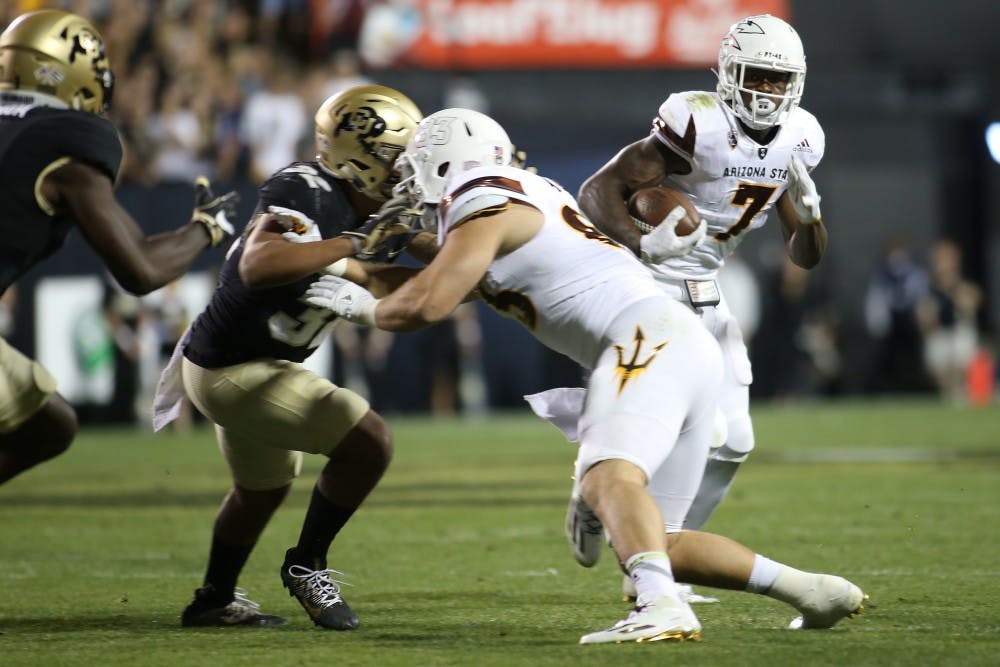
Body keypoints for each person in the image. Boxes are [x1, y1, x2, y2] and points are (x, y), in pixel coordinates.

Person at [304, 108, 865, 644]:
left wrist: (360, 309)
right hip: (681, 344)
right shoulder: (524, 196)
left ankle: (659, 605)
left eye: (414, 171)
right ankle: (810, 591)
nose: (407, 186)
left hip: (647, 340)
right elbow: (450, 281)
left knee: (606, 483)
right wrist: (343, 264)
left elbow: (428, 303)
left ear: (447, 165)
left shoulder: (484, 201)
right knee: (657, 540)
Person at [152, 84, 431, 629]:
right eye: (398, 159)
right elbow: (259, 266)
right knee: (369, 443)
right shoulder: (307, 188)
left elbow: (402, 269)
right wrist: (357, 241)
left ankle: (212, 600)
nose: (407, 172)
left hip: (247, 365)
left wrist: (481, 257)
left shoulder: (379, 207)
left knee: (260, 491)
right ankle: (307, 565)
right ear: (361, 156)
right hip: (233, 368)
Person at [571, 14, 828, 592]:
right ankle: (634, 540)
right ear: (730, 73)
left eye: (777, 79)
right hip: (651, 284)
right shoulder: (698, 123)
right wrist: (643, 240)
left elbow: (804, 256)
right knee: (687, 428)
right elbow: (595, 192)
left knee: (736, 440)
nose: (766, 91)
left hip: (708, 288)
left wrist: (810, 218)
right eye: (757, 76)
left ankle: (663, 547)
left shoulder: (801, 138)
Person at [0, 10, 236, 485]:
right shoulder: (64, 138)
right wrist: (206, 228)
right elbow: (141, 270)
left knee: (49, 422)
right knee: (48, 425)